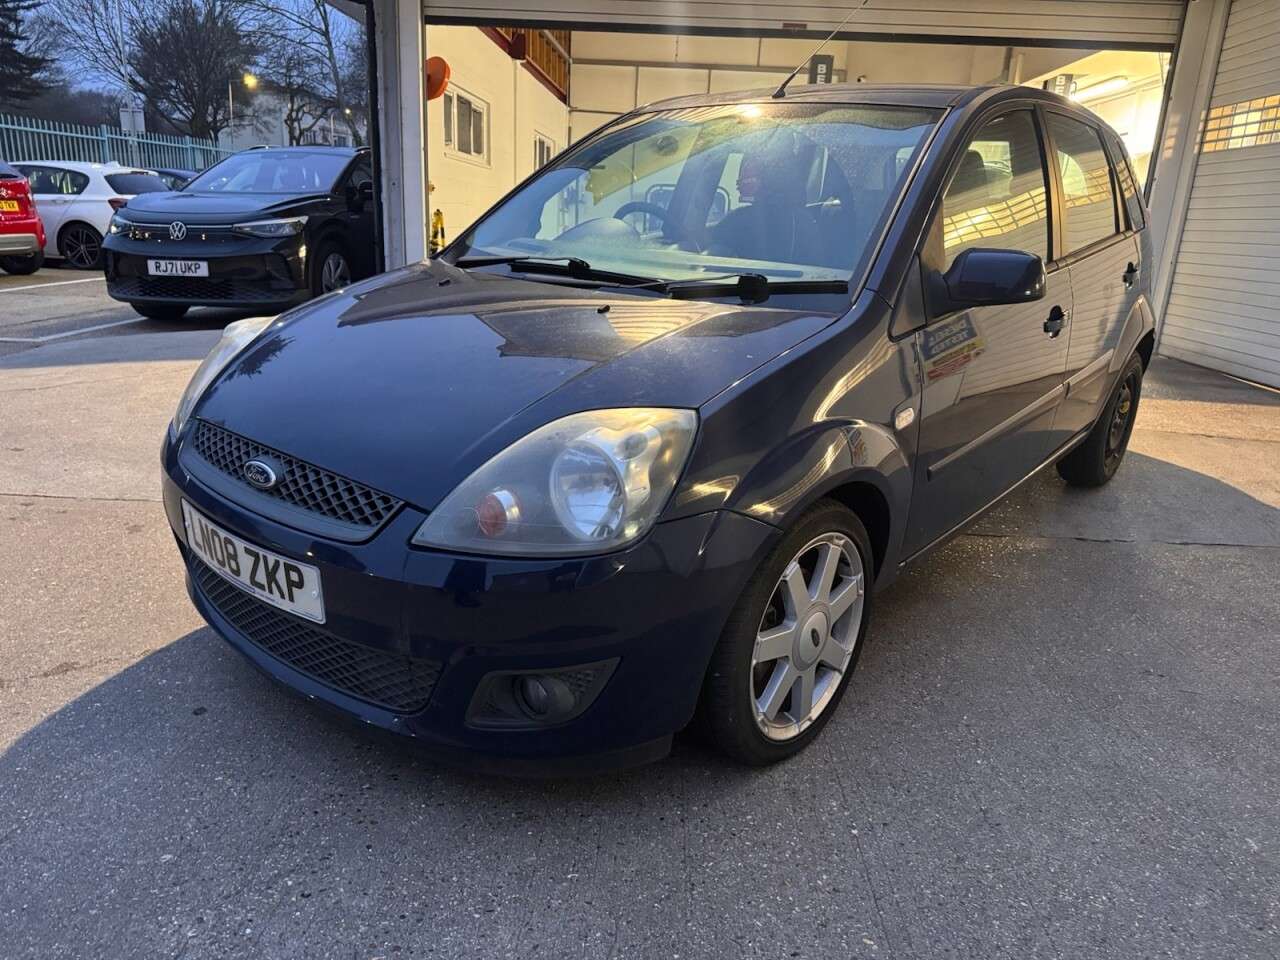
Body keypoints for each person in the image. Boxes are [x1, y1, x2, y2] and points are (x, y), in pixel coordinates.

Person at [706, 134, 823, 265]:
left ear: (766, 180)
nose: (738, 186)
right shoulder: (805, 222)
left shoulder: (737, 221)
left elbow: (708, 266)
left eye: (744, 180)